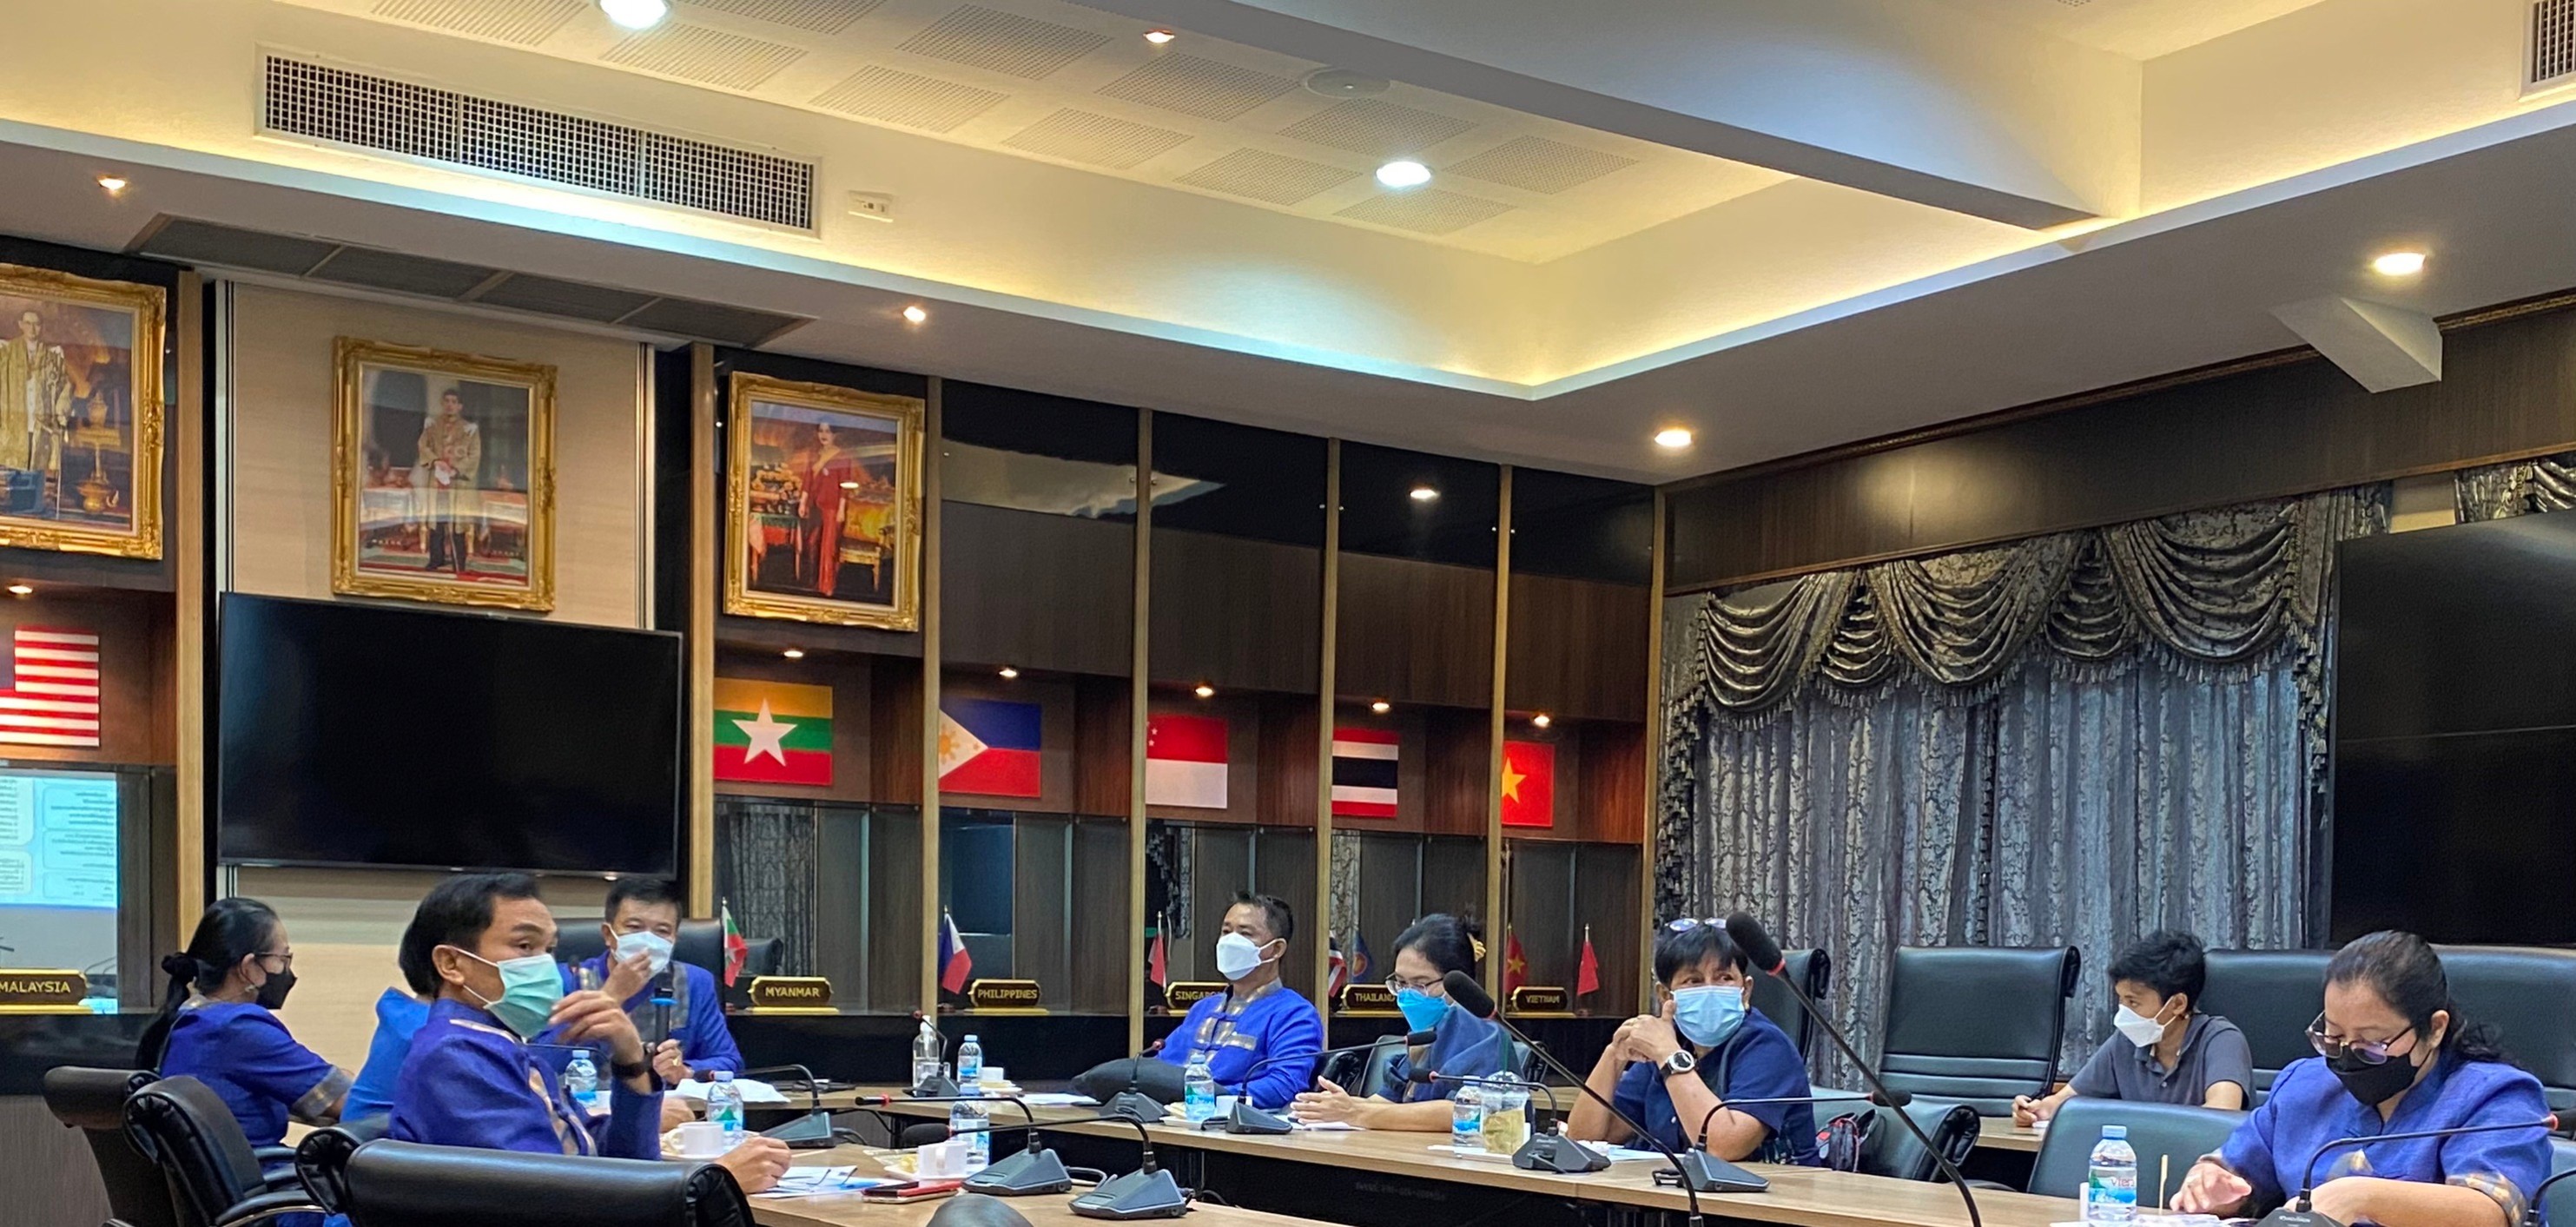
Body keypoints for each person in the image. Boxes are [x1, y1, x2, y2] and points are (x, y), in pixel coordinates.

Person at [387, 873, 789, 1192]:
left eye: (548, 949)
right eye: (525, 946)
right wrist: (715, 1181)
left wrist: (632, 1063)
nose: (545, 965)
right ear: (452, 964)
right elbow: (548, 1200)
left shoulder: (499, 1043)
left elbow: (616, 1156)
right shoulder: (457, 1056)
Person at [2175, 931, 2547, 1227]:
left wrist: (2360, 1197)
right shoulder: (2305, 1084)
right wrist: (2210, 1182)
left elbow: (2491, 1211)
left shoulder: (2496, 1096)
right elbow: (2234, 1170)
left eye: (2372, 1042)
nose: (2348, 1055)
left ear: (2434, 1029)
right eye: (2334, 1036)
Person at [1571, 918, 1820, 1165]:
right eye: (1694, 981)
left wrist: (1670, 1056)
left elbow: (1722, 1147)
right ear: (1666, 995)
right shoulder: (1672, 1041)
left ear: (1745, 991)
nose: (1710, 989)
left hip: (1774, 1189)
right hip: (1675, 1187)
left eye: (1724, 978)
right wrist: (1614, 1055)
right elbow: (1587, 1139)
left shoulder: (1768, 1047)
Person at [139, 898, 352, 1152]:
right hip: (264, 1173)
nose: (287, 970)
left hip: (227, 1173)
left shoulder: (189, 1019)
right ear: (249, 967)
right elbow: (347, 1102)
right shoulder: (237, 1028)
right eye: (283, 958)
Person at [1289, 914, 1510, 1130]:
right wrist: (1332, 1106)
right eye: (1401, 983)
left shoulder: (1480, 1027)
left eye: (1420, 983)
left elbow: (1466, 1110)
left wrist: (1356, 1112)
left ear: (1458, 982)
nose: (1407, 994)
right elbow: (1389, 1101)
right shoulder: (1427, 1030)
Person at [2014, 930, 2252, 1125]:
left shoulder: (2221, 1039)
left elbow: (2222, 1114)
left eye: (2133, 1002)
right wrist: (2036, 1110)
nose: (2123, 1012)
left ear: (2177, 1004)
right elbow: (2064, 1102)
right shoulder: (2126, 1041)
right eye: (2121, 1000)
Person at [555, 875, 743, 1088]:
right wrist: (609, 997)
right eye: (634, 927)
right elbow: (544, 1062)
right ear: (608, 935)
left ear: (674, 939)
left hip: (666, 1103)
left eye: (662, 931)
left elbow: (730, 1062)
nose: (648, 941)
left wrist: (685, 1071)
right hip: (585, 1104)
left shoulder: (695, 982)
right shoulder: (567, 980)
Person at [1155, 893, 1323, 1111]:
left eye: (1245, 934)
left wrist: (1209, 1098)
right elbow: (1158, 1068)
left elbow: (1284, 1085)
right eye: (1226, 932)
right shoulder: (1203, 1008)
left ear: (1276, 949)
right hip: (1167, 1117)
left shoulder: (1295, 1013)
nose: (1230, 941)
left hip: (1230, 1123)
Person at [412, 386, 480, 575]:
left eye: (454, 402)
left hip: (457, 483)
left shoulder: (469, 429)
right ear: (443, 403)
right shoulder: (432, 425)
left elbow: (474, 455)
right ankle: (436, 558)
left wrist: (455, 469)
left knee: (457, 523)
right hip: (437, 481)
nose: (450, 405)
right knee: (437, 521)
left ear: (460, 406)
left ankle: (459, 561)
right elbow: (423, 445)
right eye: (447, 401)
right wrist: (436, 461)